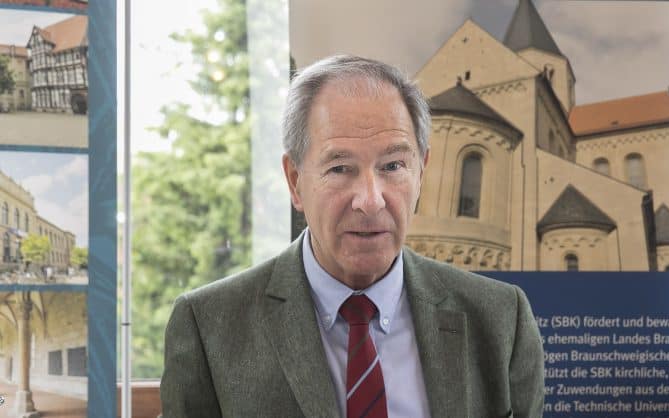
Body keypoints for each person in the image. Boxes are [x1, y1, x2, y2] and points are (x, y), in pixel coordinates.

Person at [160, 55, 544, 418]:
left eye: (393, 166)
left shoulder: (499, 320)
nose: (371, 200)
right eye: (341, 168)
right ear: (295, 181)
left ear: (421, 173)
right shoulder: (209, 326)